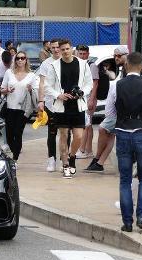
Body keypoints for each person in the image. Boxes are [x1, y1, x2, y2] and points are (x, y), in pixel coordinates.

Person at [106, 52, 142, 232]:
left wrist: (122, 118)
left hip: (123, 132)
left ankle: (127, 222)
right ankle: (141, 216)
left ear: (126, 65)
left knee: (124, 179)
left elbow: (109, 112)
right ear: (141, 67)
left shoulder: (116, 85)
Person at [45, 39, 93, 179]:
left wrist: (82, 92)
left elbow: (89, 83)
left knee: (78, 136)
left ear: (71, 49)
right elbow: (48, 86)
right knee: (64, 136)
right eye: (62, 49)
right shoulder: (54, 66)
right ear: (59, 50)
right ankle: (65, 164)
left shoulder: (83, 64)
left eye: (67, 49)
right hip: (61, 106)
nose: (65, 51)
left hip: (78, 105)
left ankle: (72, 157)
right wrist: (58, 95)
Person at [85, 46, 129, 172]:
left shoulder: (127, 69)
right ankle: (99, 163)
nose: (116, 58)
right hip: (116, 109)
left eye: (119, 55)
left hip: (118, 110)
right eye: (115, 55)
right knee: (110, 135)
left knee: (103, 129)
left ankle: (97, 159)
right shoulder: (122, 69)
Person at [1, 51, 38, 162]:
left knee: (18, 133)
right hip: (10, 108)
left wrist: (31, 90)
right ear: (15, 60)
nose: (20, 60)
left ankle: (15, 158)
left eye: (23, 58)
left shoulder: (31, 75)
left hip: (23, 109)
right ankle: (14, 151)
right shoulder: (9, 73)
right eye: (18, 58)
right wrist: (7, 90)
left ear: (26, 60)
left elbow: (36, 92)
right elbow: (2, 90)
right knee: (9, 135)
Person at [38, 39, 61, 172]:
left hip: (65, 103)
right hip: (50, 103)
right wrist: (41, 101)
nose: (56, 49)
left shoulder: (68, 61)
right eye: (53, 47)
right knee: (52, 132)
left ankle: (66, 159)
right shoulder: (46, 64)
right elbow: (42, 83)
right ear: (49, 49)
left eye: (58, 47)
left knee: (66, 133)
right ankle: (51, 159)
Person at [75, 45, 95, 159]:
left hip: (87, 98)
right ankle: (88, 150)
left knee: (86, 125)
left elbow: (95, 84)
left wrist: (91, 99)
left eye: (84, 54)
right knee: (88, 125)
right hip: (80, 98)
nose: (82, 56)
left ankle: (82, 150)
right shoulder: (77, 65)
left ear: (88, 54)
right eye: (80, 54)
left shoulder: (91, 66)